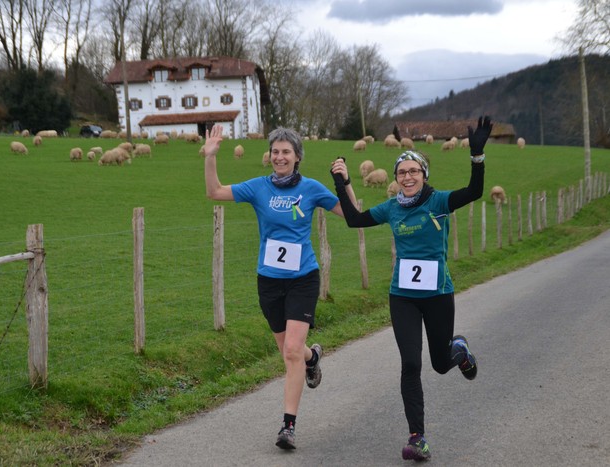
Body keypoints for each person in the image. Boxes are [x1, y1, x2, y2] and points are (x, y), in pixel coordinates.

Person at [330, 116, 493, 461]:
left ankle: (458, 352)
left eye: (413, 172)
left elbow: (476, 192)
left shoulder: (438, 202)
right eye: (401, 173)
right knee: (410, 364)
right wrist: (341, 182)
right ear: (396, 178)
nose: (406, 177)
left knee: (438, 363)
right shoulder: (391, 208)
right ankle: (417, 437)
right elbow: (355, 219)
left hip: (437, 295)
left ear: (423, 175)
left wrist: (476, 156)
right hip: (402, 296)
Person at [203, 124, 357, 450]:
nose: (280, 156)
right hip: (269, 281)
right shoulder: (259, 188)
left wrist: (345, 183)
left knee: (289, 353)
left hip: (303, 278)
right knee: (291, 352)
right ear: (269, 156)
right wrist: (211, 157)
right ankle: (312, 358)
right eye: (275, 151)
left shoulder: (312, 188)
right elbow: (214, 191)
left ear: (297, 156)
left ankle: (288, 426)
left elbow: (351, 214)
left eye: (286, 151)